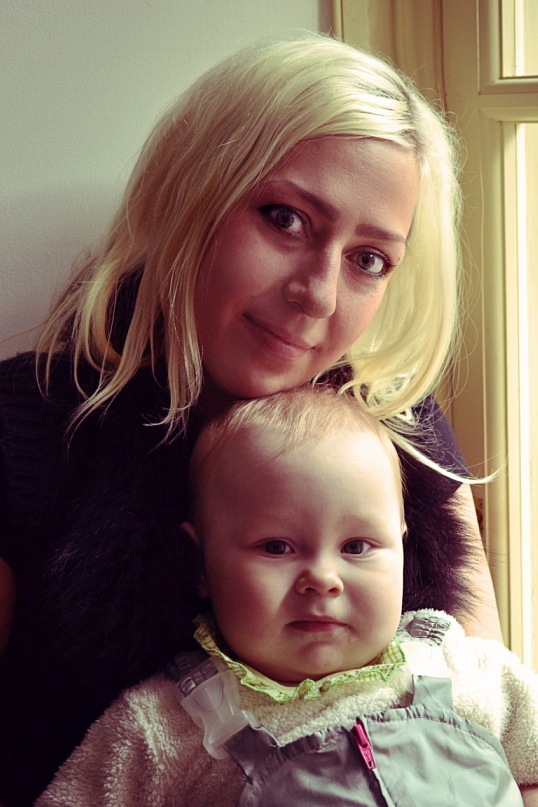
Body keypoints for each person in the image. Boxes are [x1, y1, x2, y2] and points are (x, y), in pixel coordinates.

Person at [0, 32, 503, 805]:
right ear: (191, 191)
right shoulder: (24, 432)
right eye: (286, 219)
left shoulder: (399, 426)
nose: (318, 294)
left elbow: (493, 733)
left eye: (369, 258)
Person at [37, 389, 538, 805]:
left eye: (356, 547)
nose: (323, 579)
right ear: (200, 564)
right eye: (276, 547)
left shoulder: (465, 670)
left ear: (402, 551)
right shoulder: (161, 728)